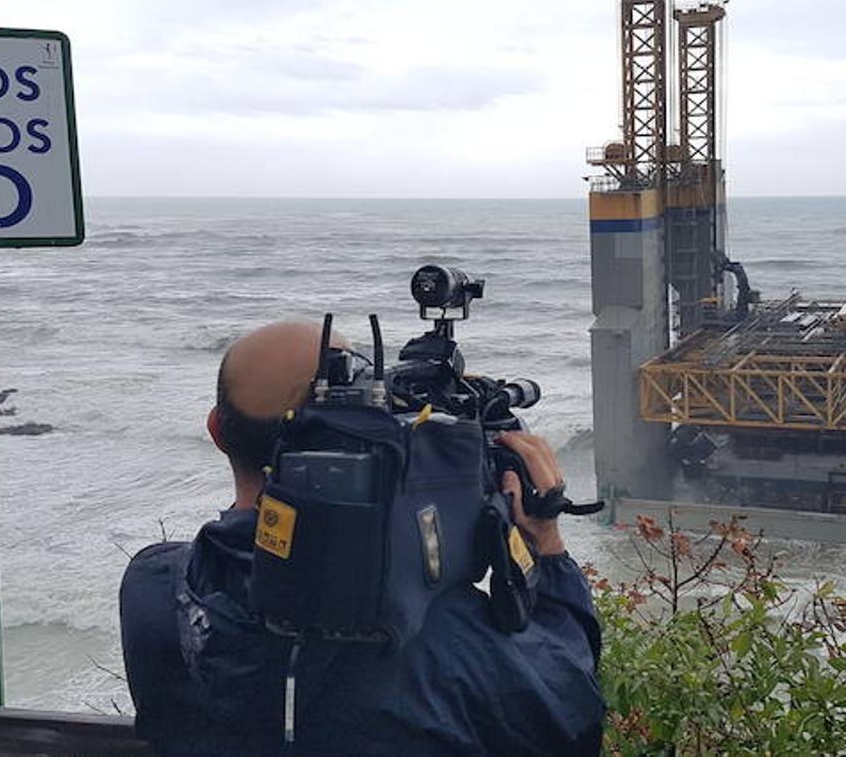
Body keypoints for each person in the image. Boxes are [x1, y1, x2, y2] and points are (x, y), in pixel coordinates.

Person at [119, 320, 604, 755]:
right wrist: (545, 544)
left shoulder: (157, 587)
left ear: (215, 431)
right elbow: (570, 716)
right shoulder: (442, 643)